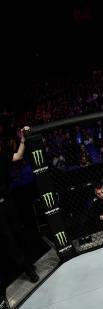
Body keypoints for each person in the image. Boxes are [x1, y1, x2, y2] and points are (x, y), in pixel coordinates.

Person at [0, 124, 39, 293]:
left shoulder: (1, 156)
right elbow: (18, 155)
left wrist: (23, 140)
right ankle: (28, 268)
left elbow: (18, 156)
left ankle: (28, 265)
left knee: (16, 233)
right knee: (9, 237)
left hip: (7, 200)